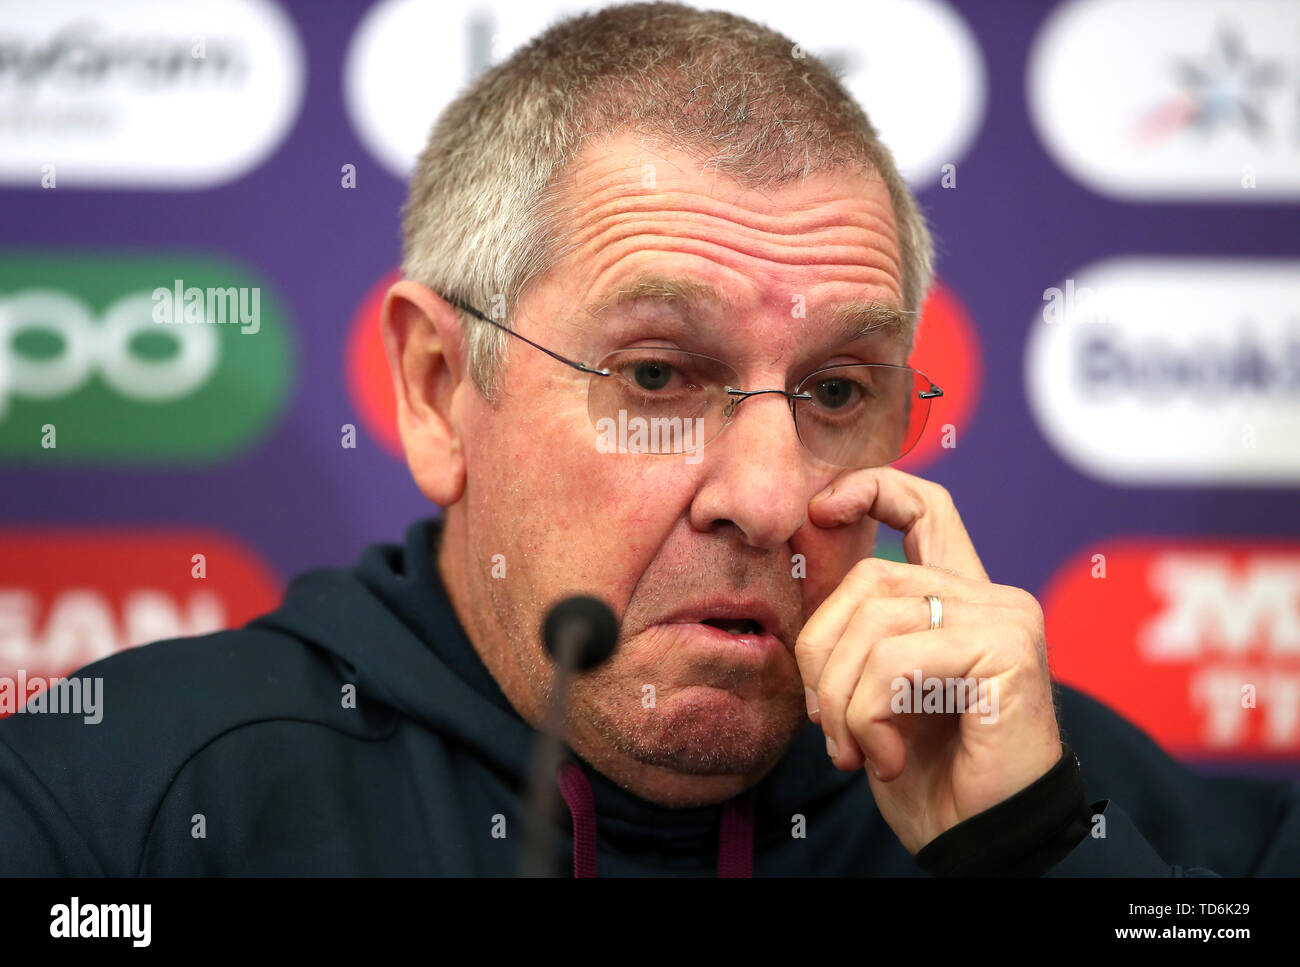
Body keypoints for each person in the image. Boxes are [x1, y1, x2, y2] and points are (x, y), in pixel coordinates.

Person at [2, 2, 1297, 876]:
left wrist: (1036, 856)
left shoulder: (1070, 794)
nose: (773, 499)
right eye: (662, 373)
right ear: (443, 388)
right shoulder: (115, 808)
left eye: (841, 391)